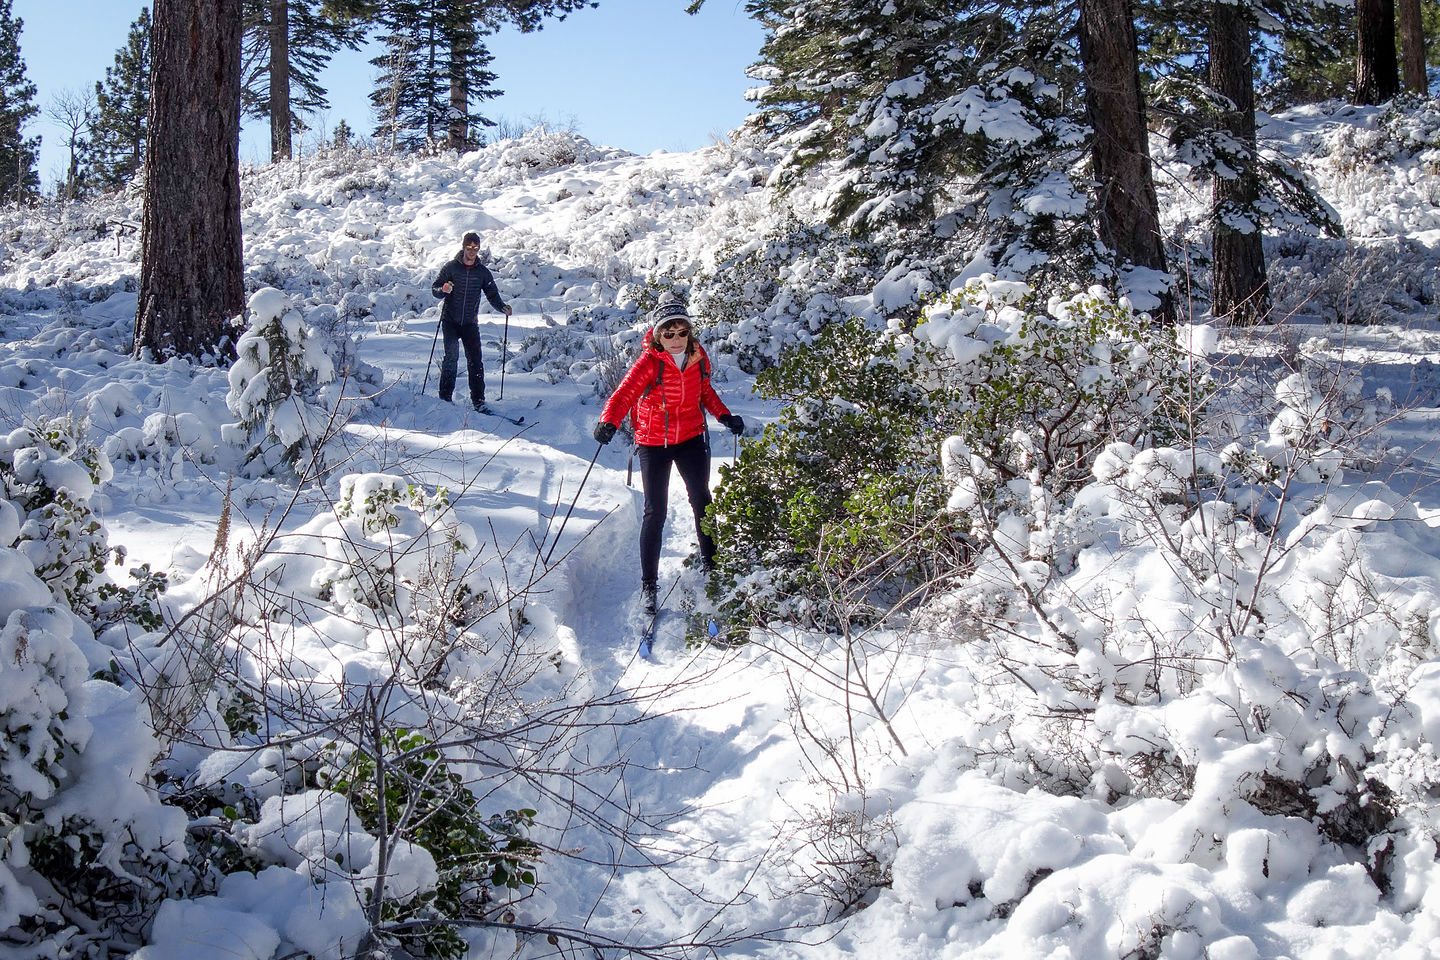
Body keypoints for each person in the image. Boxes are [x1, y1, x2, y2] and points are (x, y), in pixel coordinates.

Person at [594, 294, 745, 614]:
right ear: (658, 334)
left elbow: (705, 392)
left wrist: (725, 416)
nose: (676, 340)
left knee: (702, 500)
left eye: (682, 332)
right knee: (655, 512)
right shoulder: (648, 363)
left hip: (691, 437)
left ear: (689, 333)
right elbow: (623, 395)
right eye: (669, 333)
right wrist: (609, 421)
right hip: (653, 443)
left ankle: (712, 568)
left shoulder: (698, 358)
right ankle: (649, 586)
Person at [431, 231, 512, 412]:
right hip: (450, 321)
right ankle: (445, 399)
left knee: (475, 360)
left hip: (470, 323)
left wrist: (502, 307)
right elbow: (435, 289)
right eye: (469, 247)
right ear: (464, 247)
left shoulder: (482, 272)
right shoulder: (451, 267)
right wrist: (443, 289)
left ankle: (479, 401)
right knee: (451, 359)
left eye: (476, 247)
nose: (472, 251)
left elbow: (492, 294)